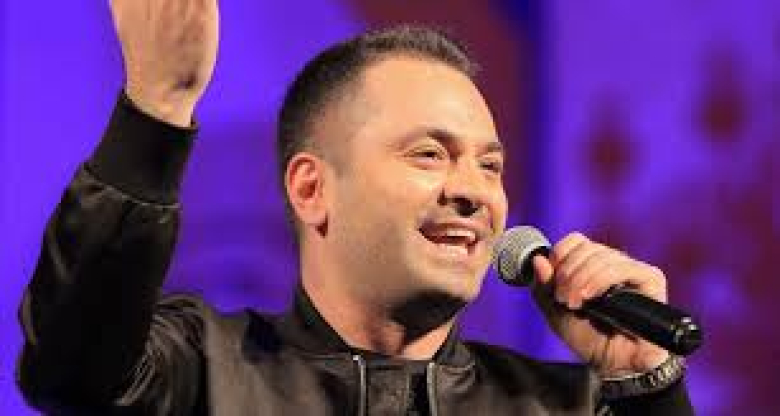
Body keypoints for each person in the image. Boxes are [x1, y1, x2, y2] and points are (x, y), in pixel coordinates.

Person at [16, 1, 694, 415]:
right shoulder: (197, 372)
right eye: (429, 154)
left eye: (490, 165)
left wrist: (647, 386)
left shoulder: (567, 405)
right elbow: (70, 370)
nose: (473, 190)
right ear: (312, 189)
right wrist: (157, 108)